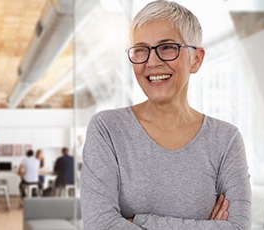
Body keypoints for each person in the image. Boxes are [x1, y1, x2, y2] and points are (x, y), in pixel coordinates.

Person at [80, 1, 251, 229]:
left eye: (167, 47)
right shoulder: (107, 129)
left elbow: (238, 227)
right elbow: (100, 224)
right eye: (141, 50)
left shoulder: (226, 140)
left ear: (196, 59)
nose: (151, 62)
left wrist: (141, 221)